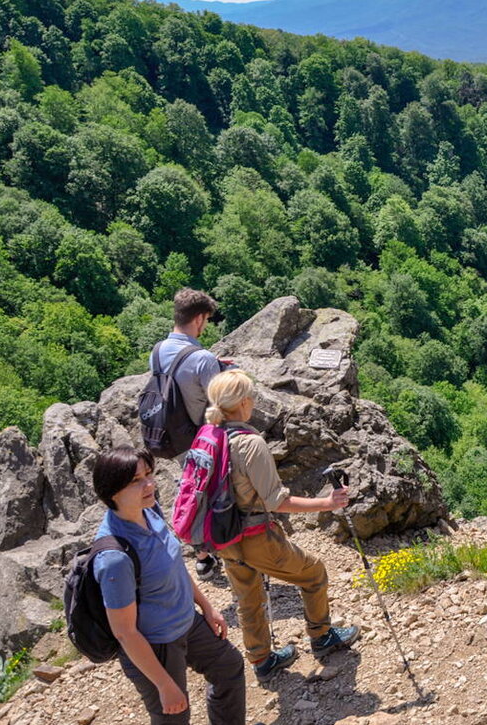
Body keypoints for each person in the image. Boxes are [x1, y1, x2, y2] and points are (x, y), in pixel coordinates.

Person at [206, 369, 361, 680]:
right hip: (254, 535)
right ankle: (322, 637)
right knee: (313, 572)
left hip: (223, 536)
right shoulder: (250, 443)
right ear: (245, 402)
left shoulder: (210, 437)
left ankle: (262, 660)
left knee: (248, 599)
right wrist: (327, 504)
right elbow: (277, 501)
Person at [92, 446, 245, 725]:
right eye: (136, 481)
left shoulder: (149, 511)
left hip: (188, 622)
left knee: (228, 667)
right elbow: (125, 633)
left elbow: (173, 564)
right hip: (156, 645)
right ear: (112, 491)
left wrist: (207, 608)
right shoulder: (113, 557)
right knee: (174, 716)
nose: (149, 484)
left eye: (149, 474)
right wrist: (163, 684)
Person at [154, 288, 227, 580]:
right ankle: (231, 549)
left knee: (191, 490)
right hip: (201, 439)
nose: (205, 326)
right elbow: (219, 404)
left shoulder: (157, 350)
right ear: (198, 319)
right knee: (216, 493)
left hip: (171, 437)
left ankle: (202, 557)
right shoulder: (203, 358)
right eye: (206, 320)